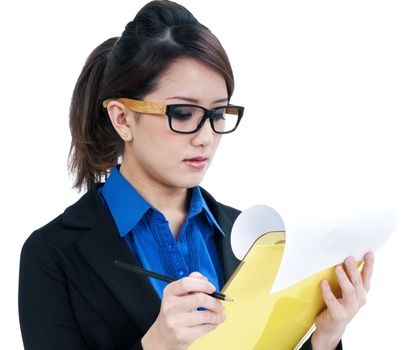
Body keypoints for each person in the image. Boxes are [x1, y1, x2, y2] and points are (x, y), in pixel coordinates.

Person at [18, 1, 374, 349]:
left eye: (219, 113)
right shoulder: (51, 254)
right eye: (184, 113)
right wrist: (155, 346)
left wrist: (324, 339)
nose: (206, 136)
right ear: (122, 118)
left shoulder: (255, 239)